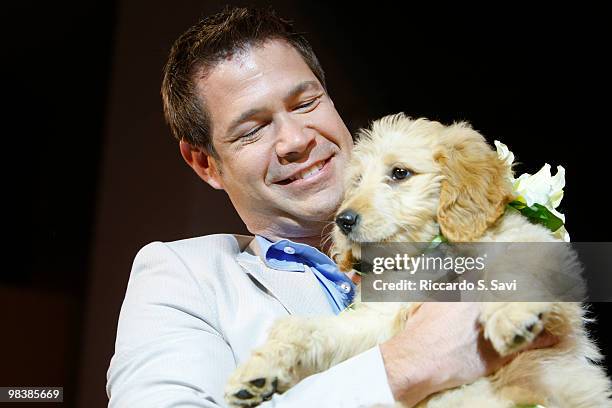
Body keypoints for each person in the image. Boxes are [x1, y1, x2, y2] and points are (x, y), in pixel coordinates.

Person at [106, 6, 556, 407]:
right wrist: (407, 364)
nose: (296, 140)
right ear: (205, 163)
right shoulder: (183, 275)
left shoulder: (460, 198)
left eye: (306, 103)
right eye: (252, 130)